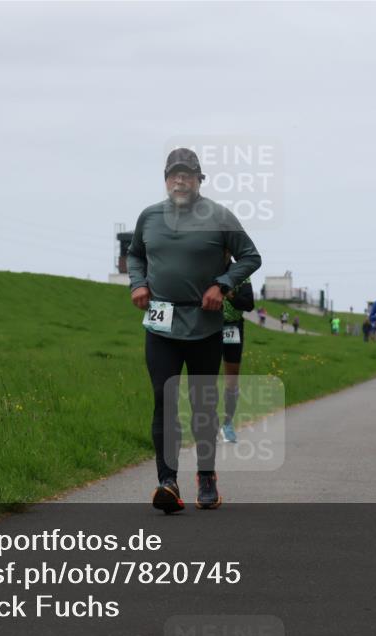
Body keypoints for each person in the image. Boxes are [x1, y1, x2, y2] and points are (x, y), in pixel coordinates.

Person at [128, 147, 262, 513]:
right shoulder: (149, 217)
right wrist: (138, 283)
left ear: (199, 180)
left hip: (204, 324)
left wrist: (222, 285)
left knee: (203, 403)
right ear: (166, 180)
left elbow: (251, 257)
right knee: (164, 398)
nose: (180, 180)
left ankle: (206, 476)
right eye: (174, 174)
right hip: (161, 323)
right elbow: (135, 254)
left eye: (187, 174)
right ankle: (167, 482)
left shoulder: (219, 216)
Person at [220, 265, 254, 445]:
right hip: (207, 325)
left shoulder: (240, 273)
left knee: (232, 378)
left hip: (232, 326)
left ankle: (227, 422)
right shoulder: (204, 264)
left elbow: (249, 304)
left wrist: (229, 293)